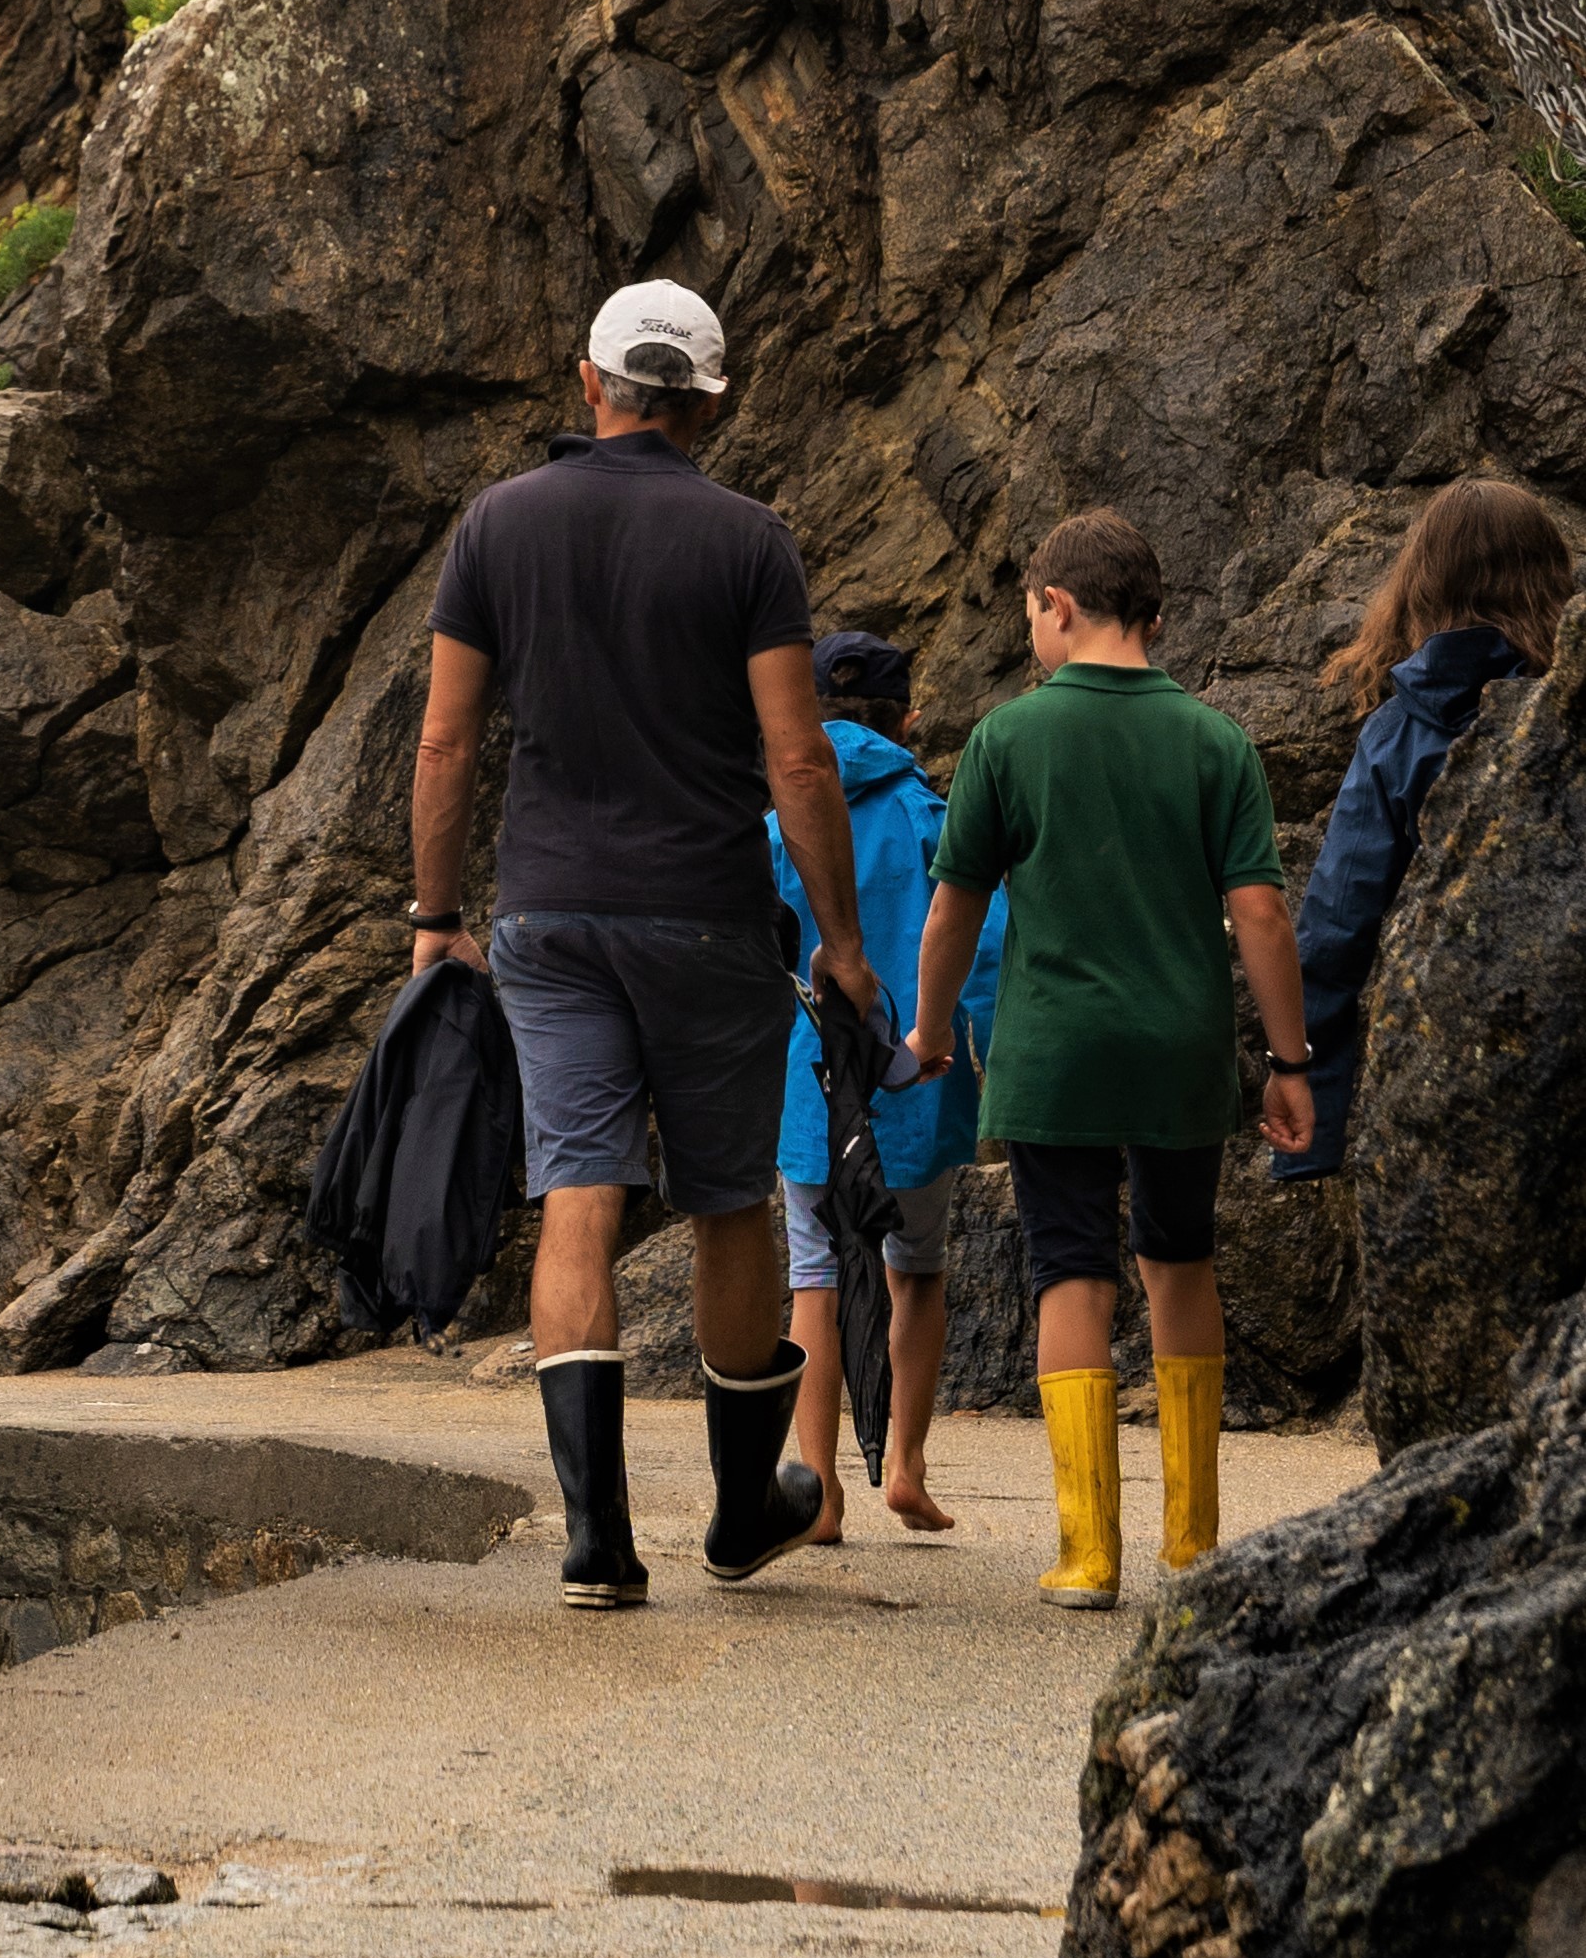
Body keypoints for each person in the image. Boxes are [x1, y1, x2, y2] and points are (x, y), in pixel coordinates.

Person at [410, 274, 876, 1613]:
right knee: (725, 1196)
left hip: (548, 917)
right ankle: (738, 1514)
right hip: (707, 914)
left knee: (577, 1188)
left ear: (588, 382)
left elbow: (445, 739)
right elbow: (795, 751)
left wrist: (435, 920)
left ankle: (595, 1541)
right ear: (705, 404)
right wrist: (840, 939)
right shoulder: (747, 542)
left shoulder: (496, 525)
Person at [904, 510, 1310, 1614]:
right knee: (1178, 1264)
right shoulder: (1213, 741)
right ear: (1155, 618)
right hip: (1177, 1047)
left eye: (1026, 611)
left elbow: (952, 912)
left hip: (1053, 1052)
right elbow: (1261, 917)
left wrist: (931, 1031)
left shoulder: (1006, 740)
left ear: (1058, 607)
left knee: (1068, 1272)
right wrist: (1286, 1059)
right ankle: (1192, 1548)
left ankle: (1087, 1554)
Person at [768, 625, 1006, 1541]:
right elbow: (981, 943)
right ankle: (905, 1465)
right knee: (918, 1269)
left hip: (810, 1090)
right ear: (908, 718)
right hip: (918, 1082)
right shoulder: (934, 816)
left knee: (816, 1275)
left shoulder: (778, 823)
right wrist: (952, 1038)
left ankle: (818, 1490)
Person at [1274, 476, 1572, 1181]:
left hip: (1462, 1055)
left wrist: (1309, 1127)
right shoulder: (1566, 697)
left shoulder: (1400, 733)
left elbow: (1335, 930)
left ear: (1421, 585)